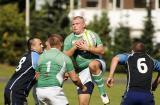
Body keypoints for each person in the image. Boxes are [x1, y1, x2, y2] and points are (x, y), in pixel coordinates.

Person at [63, 16, 109, 105]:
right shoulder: (69, 39)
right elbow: (65, 56)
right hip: (82, 71)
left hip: (97, 64)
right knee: (83, 103)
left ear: (84, 25)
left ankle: (102, 92)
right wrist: (74, 47)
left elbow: (102, 51)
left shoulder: (92, 35)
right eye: (73, 24)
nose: (74, 26)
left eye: (77, 24)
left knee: (92, 64)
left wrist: (87, 48)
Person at [35, 34, 87, 105]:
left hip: (40, 91)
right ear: (61, 44)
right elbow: (75, 79)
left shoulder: (41, 57)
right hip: (54, 91)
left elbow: (37, 77)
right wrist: (82, 87)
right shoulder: (64, 57)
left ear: (49, 43)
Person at [4, 38, 43, 105]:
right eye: (40, 44)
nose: (42, 46)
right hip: (16, 93)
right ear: (32, 46)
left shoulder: (27, 55)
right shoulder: (35, 56)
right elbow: (40, 75)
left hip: (14, 91)